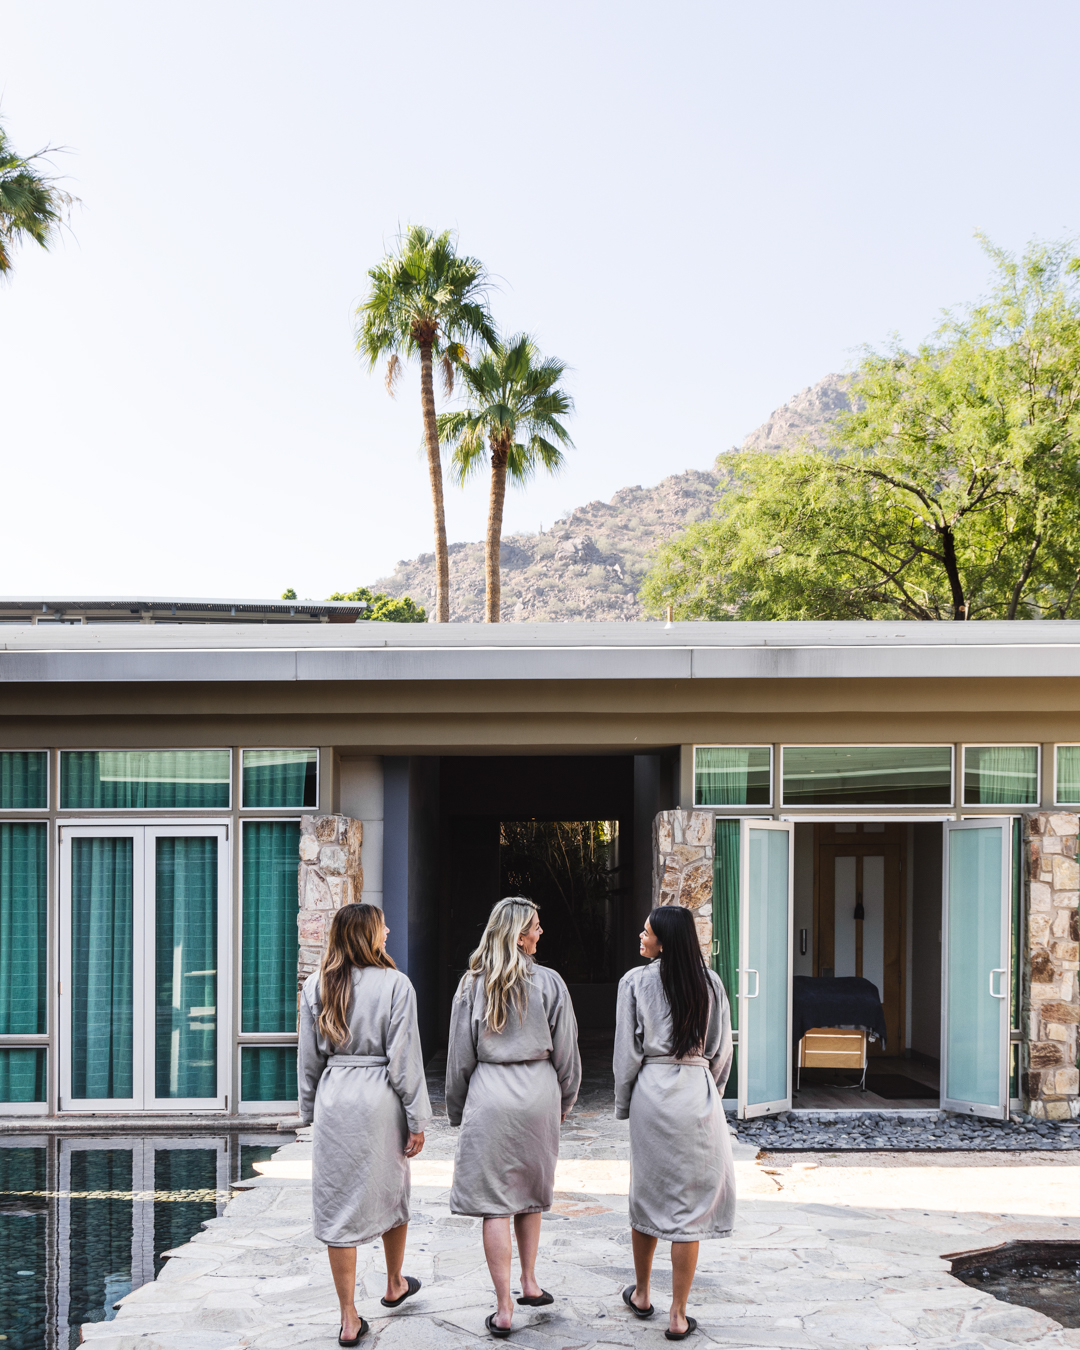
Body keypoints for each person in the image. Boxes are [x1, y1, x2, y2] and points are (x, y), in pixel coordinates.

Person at [445, 897, 582, 1339]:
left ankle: (504, 1308)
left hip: (489, 1092)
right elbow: (567, 1052)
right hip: (539, 1091)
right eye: (536, 927)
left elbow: (459, 1057)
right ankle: (530, 1281)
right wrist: (565, 1101)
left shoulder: (472, 984)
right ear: (518, 934)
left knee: (494, 1203)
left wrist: (456, 1109)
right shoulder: (551, 983)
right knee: (531, 1191)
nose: (541, 933)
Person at [298, 903, 431, 1347]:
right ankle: (394, 1282)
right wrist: (417, 1120)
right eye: (383, 926)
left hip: (336, 1096)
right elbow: (405, 1059)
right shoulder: (396, 984)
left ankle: (348, 1317)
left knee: (338, 1208)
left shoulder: (316, 984)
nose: (389, 929)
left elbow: (308, 1058)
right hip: (380, 1098)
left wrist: (309, 1112)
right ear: (368, 935)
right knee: (392, 1189)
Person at [614, 904, 735, 1341]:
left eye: (646, 932)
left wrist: (624, 1103)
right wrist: (710, 1092)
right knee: (689, 1209)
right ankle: (679, 1314)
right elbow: (721, 1049)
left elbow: (626, 1055)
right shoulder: (711, 982)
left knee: (646, 1196)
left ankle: (643, 1293)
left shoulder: (634, 982)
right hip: (696, 1093)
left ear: (664, 940)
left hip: (652, 1092)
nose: (640, 938)